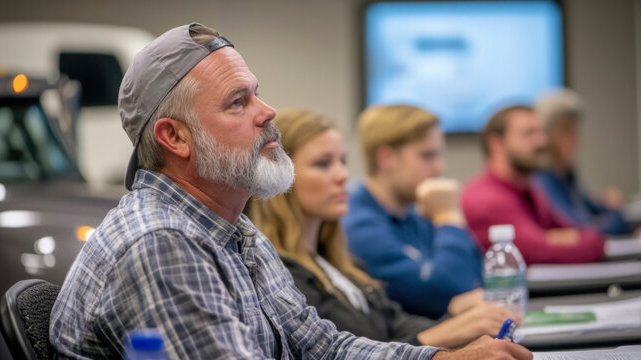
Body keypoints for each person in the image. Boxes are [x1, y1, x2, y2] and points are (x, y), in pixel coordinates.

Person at [49, 23, 532, 360]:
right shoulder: (160, 242)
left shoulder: (230, 226)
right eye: (238, 102)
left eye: (256, 93)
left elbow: (321, 347)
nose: (268, 111)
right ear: (175, 138)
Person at [249, 108, 521, 349]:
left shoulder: (336, 261)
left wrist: (454, 315)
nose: (343, 175)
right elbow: (348, 352)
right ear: (281, 173)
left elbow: (394, 326)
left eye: (342, 162)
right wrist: (451, 327)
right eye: (323, 163)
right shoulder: (280, 273)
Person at [342, 105, 483, 319]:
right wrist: (448, 217)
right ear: (386, 158)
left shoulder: (416, 212)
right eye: (427, 156)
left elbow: (477, 278)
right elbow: (449, 291)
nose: (439, 168)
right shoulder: (359, 226)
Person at [461, 105, 605, 264]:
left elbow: (579, 231)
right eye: (529, 133)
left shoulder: (530, 189)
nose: (542, 141)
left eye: (542, 132)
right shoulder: (485, 199)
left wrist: (553, 239)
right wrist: (554, 240)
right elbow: (539, 253)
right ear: (497, 144)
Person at [534, 89, 630, 236]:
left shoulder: (566, 175)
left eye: (575, 130)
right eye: (566, 130)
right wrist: (613, 217)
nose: (574, 138)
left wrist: (605, 207)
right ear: (545, 135)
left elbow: (595, 213)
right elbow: (576, 229)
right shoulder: (540, 180)